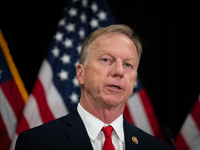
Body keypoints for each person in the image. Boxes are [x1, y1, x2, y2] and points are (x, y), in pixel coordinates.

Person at [15, 24, 173, 150]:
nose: (119, 71)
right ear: (80, 73)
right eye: (106, 60)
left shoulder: (158, 148)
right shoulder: (38, 143)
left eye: (127, 64)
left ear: (134, 81)